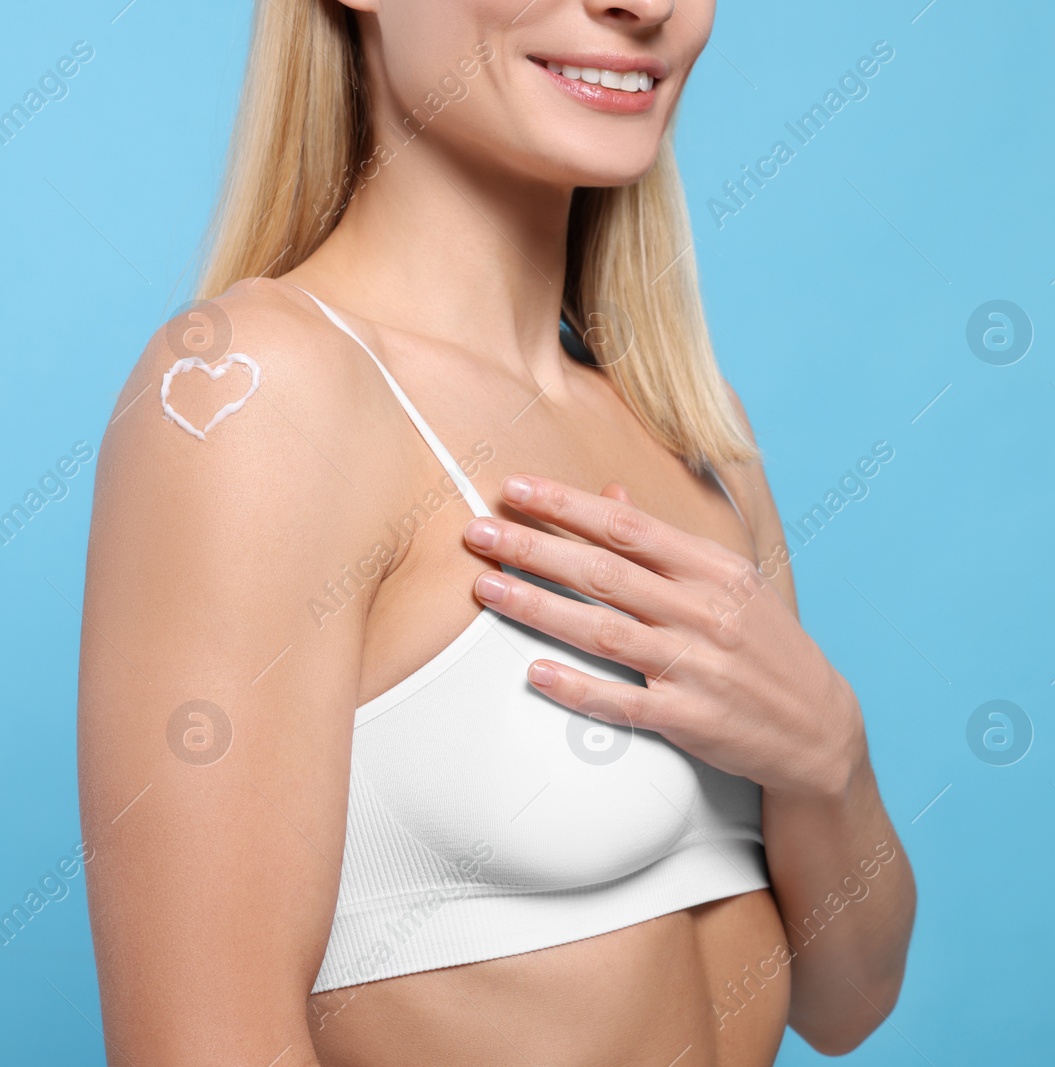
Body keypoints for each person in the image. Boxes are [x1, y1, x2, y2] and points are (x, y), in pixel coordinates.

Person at [75, 1, 915, 1064]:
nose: (643, 5)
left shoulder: (697, 430)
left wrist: (829, 754)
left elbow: (846, 1001)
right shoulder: (259, 396)